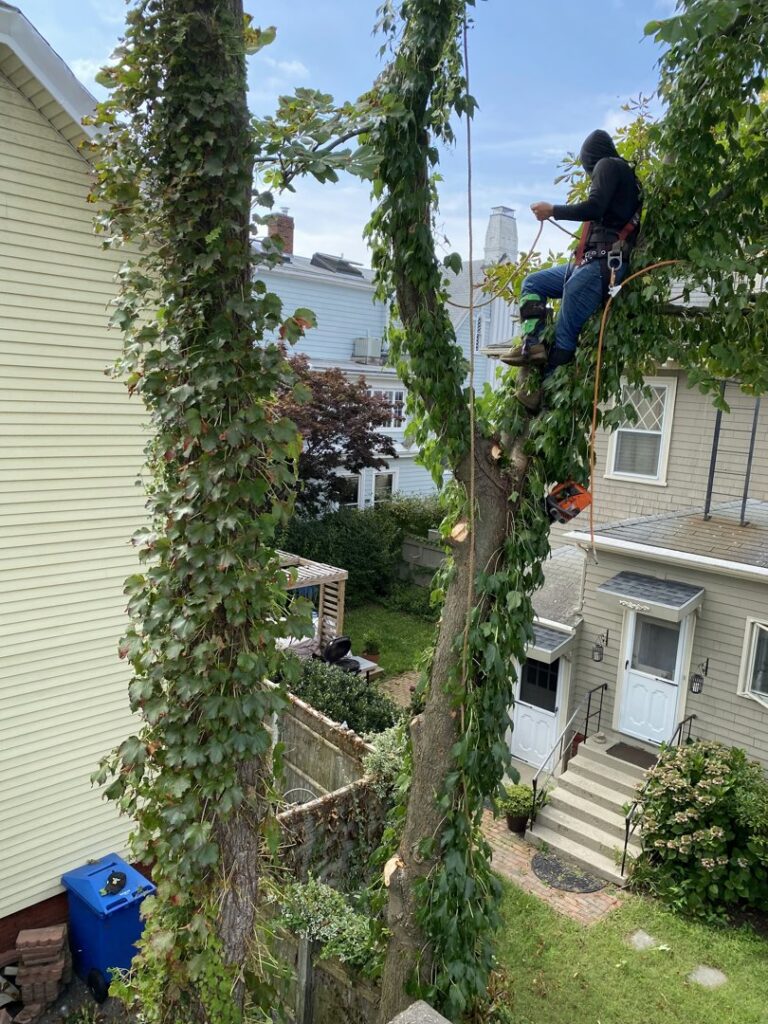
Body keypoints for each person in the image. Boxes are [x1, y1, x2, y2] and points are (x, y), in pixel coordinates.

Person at [503, 129, 642, 411]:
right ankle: (533, 343)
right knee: (533, 284)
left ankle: (546, 402)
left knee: (566, 333)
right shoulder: (624, 176)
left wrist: (552, 210)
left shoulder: (609, 165)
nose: (591, 174)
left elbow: (594, 206)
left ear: (590, 158)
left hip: (603, 266)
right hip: (588, 263)